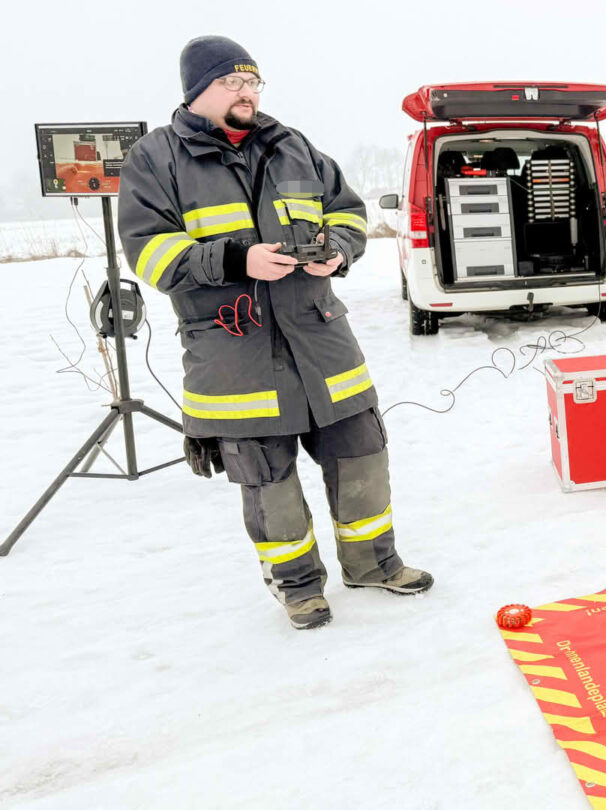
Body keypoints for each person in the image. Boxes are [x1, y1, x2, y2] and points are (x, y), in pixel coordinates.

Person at [118, 36, 432, 629]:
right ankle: (298, 587)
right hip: (232, 351)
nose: (247, 93)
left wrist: (335, 253)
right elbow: (150, 255)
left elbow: (346, 211)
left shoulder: (292, 147)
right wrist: (238, 261)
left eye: (253, 82)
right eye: (232, 83)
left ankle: (374, 564)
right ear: (198, 91)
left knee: (362, 453)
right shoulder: (155, 160)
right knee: (269, 482)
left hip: (320, 337)